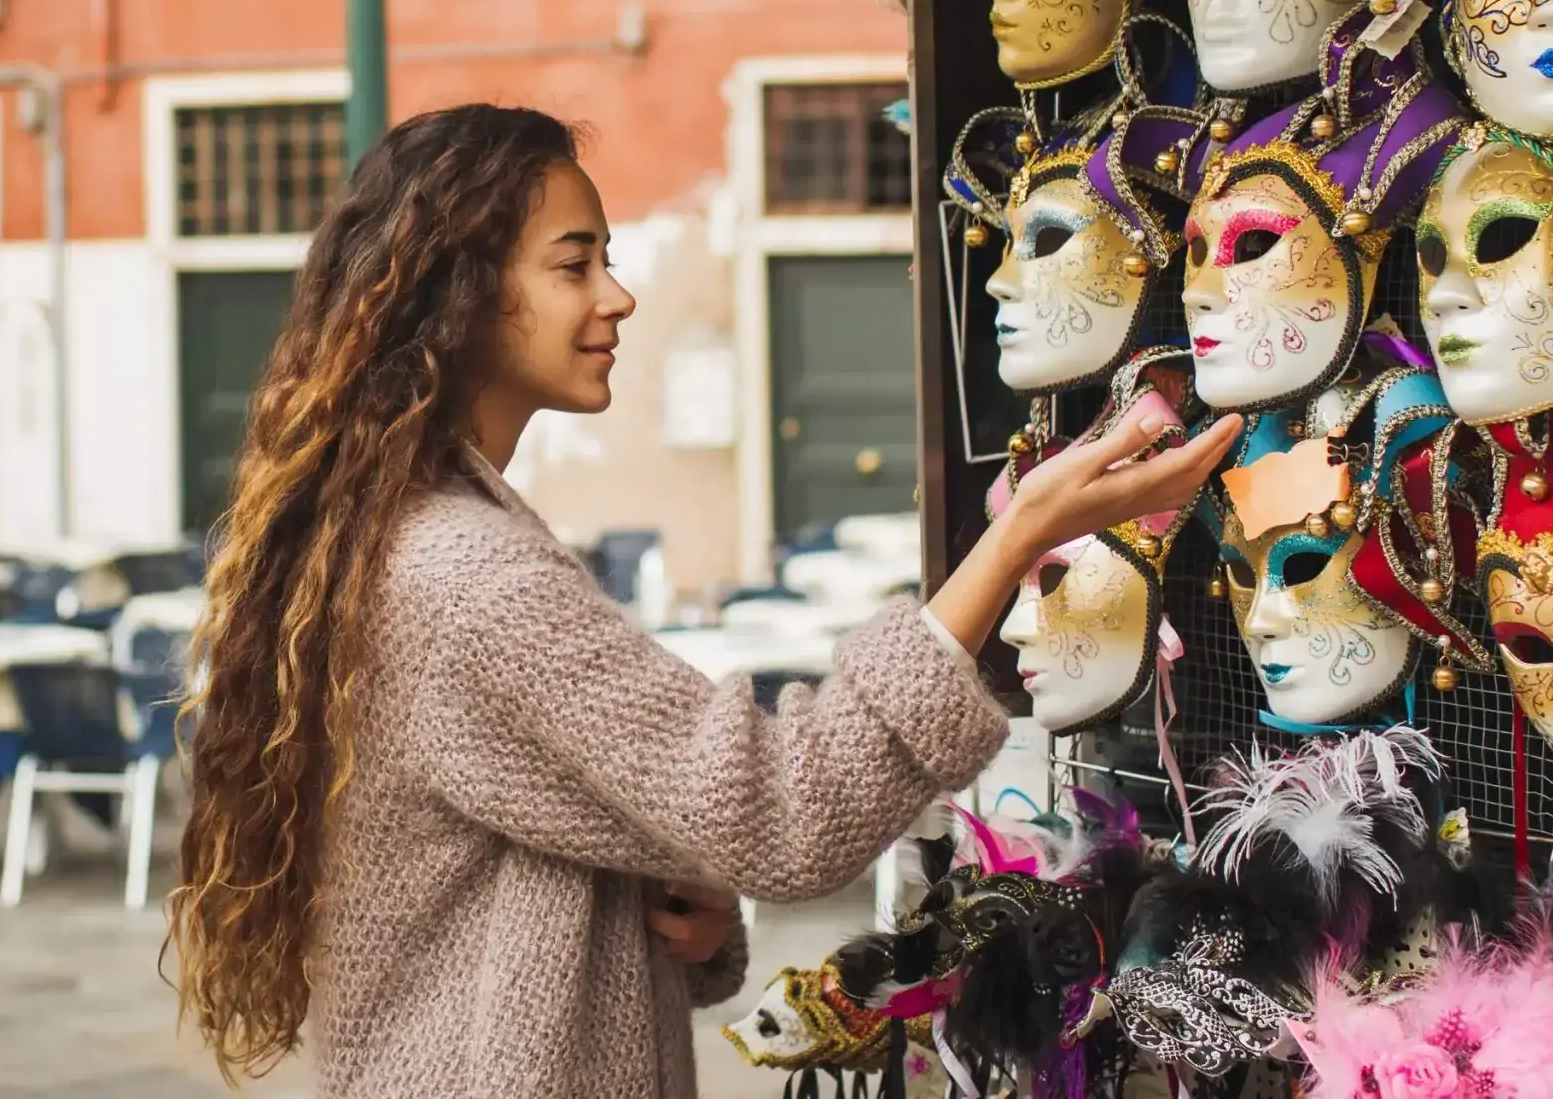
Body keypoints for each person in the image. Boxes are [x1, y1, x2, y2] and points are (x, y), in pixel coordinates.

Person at [169, 104, 1240, 1098]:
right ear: (460, 295)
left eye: (610, 260)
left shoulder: (402, 539)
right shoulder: (466, 576)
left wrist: (681, 901)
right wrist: (1013, 540)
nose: (616, 296)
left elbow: (542, 832)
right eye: (573, 264)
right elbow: (786, 812)